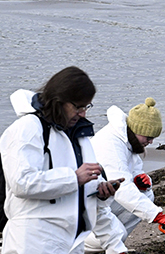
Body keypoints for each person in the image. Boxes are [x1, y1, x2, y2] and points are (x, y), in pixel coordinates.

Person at [0, 67, 127, 254]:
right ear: (59, 100)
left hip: (72, 242)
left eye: (87, 106)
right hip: (32, 242)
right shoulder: (26, 128)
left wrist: (100, 192)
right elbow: (21, 182)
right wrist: (74, 178)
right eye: (78, 106)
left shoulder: (78, 135)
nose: (83, 113)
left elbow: (81, 190)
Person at [83, 98, 165, 253]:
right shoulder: (111, 144)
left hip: (100, 199)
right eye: (148, 138)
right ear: (137, 130)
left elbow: (134, 169)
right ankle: (85, 246)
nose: (151, 142)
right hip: (83, 207)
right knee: (117, 231)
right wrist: (158, 216)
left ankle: (114, 245)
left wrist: (140, 179)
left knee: (146, 194)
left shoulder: (128, 139)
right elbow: (123, 189)